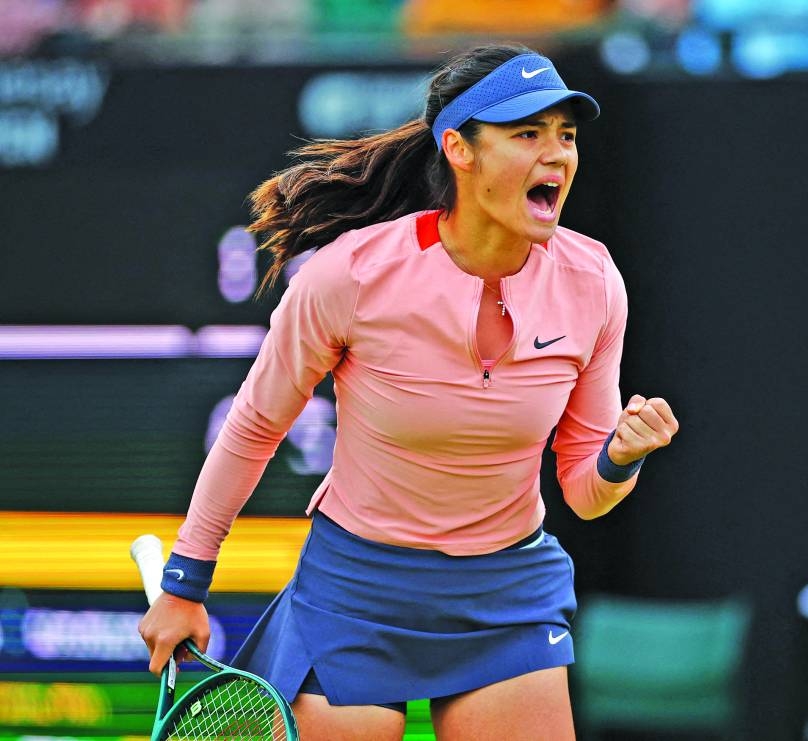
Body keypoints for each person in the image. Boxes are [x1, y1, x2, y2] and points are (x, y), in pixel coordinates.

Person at [138, 42, 679, 741]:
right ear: (459, 148)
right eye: (526, 134)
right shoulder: (350, 277)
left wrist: (620, 458)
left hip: (506, 594)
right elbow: (253, 426)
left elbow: (583, 489)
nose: (557, 155)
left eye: (565, 135)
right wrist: (185, 583)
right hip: (357, 592)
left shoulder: (594, 281)